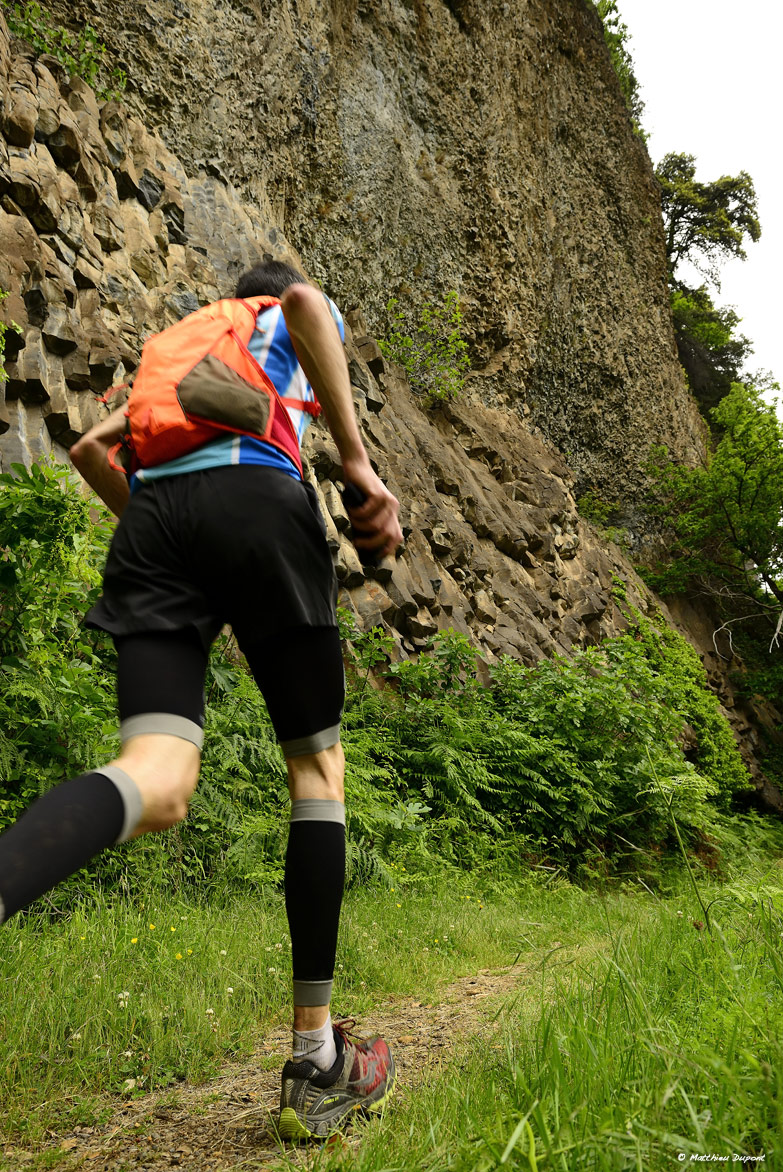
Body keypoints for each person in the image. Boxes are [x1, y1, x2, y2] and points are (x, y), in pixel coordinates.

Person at [0, 260, 403, 1141]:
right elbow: (304, 304)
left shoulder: (172, 350)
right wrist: (360, 466)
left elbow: (89, 452)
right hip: (258, 497)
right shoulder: (277, 311)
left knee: (157, 778)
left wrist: (185, 569)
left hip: (155, 522)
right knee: (316, 768)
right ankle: (315, 1060)